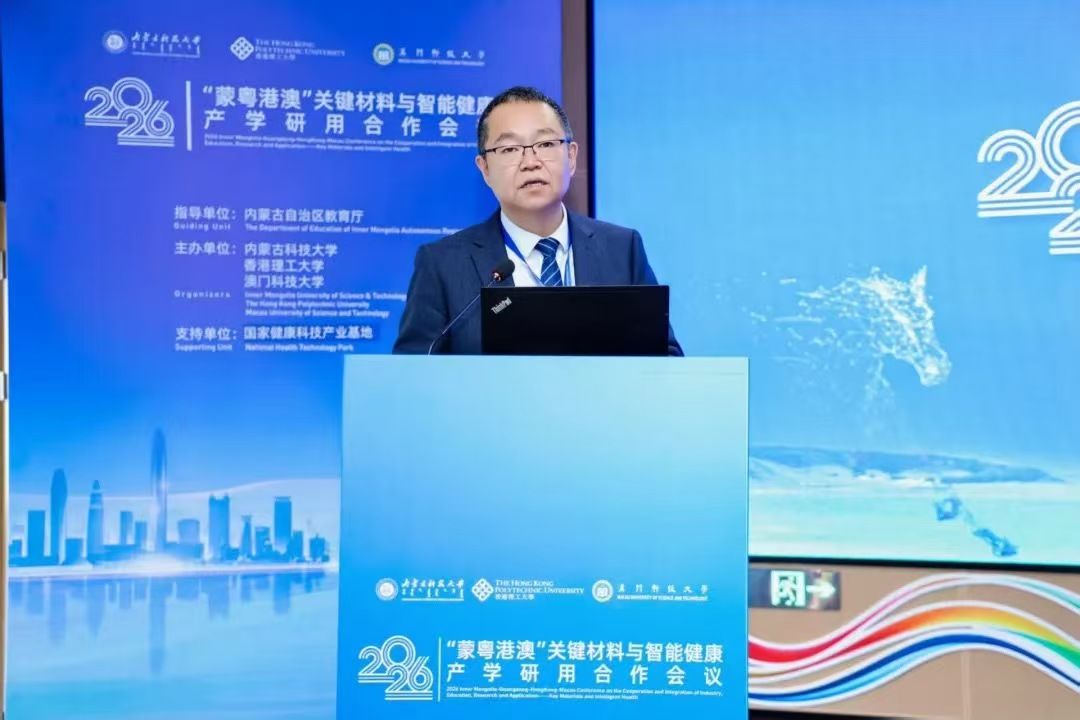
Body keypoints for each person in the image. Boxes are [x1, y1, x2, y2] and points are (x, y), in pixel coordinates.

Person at [393, 85, 682, 355]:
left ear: (571, 157)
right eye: (509, 149)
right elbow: (413, 373)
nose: (530, 162)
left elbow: (663, 359)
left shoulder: (622, 249)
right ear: (485, 169)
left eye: (545, 144)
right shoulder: (443, 265)